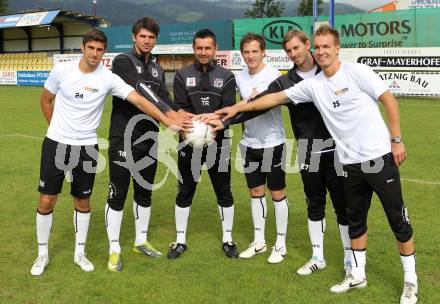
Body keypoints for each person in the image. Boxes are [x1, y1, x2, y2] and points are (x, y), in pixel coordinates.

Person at [216, 25, 418, 304]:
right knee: (347, 216)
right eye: (289, 50)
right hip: (340, 160)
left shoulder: (354, 72)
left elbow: (388, 99)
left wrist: (396, 139)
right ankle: (347, 270)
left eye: (323, 47)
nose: (319, 52)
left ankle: (409, 281)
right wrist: (234, 111)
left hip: (371, 156)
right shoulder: (307, 84)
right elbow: (269, 100)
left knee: (395, 218)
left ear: (334, 48)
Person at [31, 29, 190, 276]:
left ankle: (80, 253)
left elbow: (138, 100)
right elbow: (45, 100)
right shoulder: (62, 70)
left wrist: (165, 118)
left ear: (104, 52)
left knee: (83, 202)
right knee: (46, 200)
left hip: (87, 147)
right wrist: (57, 130)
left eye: (99, 49)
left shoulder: (107, 78)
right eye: (91, 48)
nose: (94, 54)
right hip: (57, 144)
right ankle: (42, 255)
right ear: (82, 47)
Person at [208, 29, 350, 272]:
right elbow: (264, 100)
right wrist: (226, 116)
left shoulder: (330, 70)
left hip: (337, 148)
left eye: (297, 48)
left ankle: (351, 262)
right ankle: (317, 257)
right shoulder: (286, 80)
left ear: (308, 45)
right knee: (314, 203)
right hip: (307, 149)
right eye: (289, 50)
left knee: (342, 205)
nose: (293, 53)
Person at [104, 17, 191, 272]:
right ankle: (114, 248)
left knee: (144, 192)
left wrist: (184, 115)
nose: (147, 41)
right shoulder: (122, 62)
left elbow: (164, 96)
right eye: (142, 36)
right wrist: (168, 117)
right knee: (117, 194)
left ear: (156, 39)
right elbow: (140, 89)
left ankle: (140, 241)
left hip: (148, 138)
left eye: (151, 37)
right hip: (124, 137)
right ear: (134, 36)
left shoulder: (156, 68)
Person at [167, 28, 239, 259]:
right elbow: (181, 109)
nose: (204, 52)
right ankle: (180, 240)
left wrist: (215, 124)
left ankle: (228, 239)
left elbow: (229, 112)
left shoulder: (227, 76)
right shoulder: (181, 75)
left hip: (219, 143)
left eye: (208, 48)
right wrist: (194, 128)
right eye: (199, 48)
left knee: (224, 192)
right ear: (194, 49)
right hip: (189, 143)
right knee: (184, 192)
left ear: (215, 48)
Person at [233, 33, 289, 264]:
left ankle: (281, 244)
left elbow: (257, 106)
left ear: (263, 51)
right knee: (255, 193)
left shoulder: (273, 75)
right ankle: (259, 241)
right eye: (246, 52)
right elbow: (242, 107)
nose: (251, 56)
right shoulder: (240, 77)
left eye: (255, 51)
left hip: (272, 143)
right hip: (249, 143)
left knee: (277, 193)